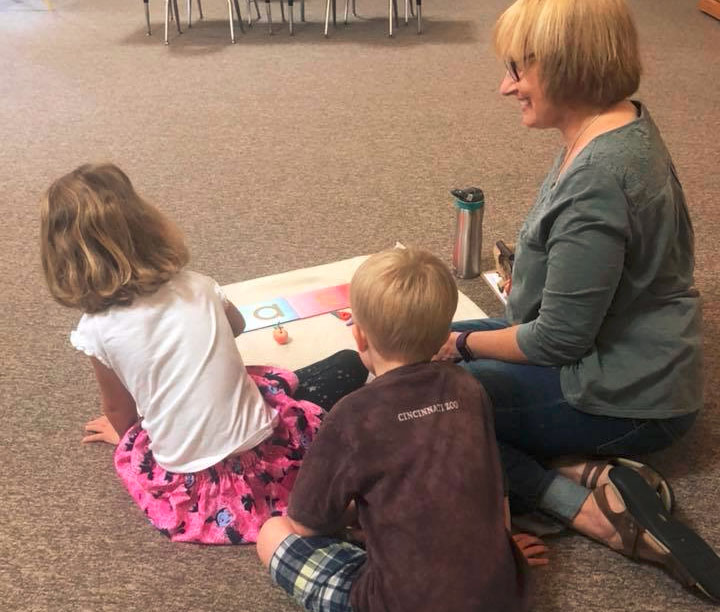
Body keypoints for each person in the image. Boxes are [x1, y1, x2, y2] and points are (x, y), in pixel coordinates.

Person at [434, 0, 720, 601]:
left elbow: (558, 341)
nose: (505, 86)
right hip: (619, 350)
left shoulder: (599, 176)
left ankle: (584, 508)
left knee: (439, 406)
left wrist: (461, 344)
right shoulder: (617, 125)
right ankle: (585, 467)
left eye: (518, 68)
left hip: (631, 396)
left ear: (567, 65)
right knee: (419, 349)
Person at [40, 163, 368, 545]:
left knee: (255, 387)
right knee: (345, 364)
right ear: (145, 224)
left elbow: (121, 412)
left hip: (194, 489)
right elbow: (238, 326)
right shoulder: (196, 286)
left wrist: (125, 439)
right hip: (269, 455)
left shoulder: (95, 330)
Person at [256, 247, 548, 612]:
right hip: (501, 595)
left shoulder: (352, 414)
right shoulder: (468, 388)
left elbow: (306, 522)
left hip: (394, 601)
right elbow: (494, 483)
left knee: (272, 533)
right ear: (445, 333)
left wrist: (349, 514)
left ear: (359, 336)